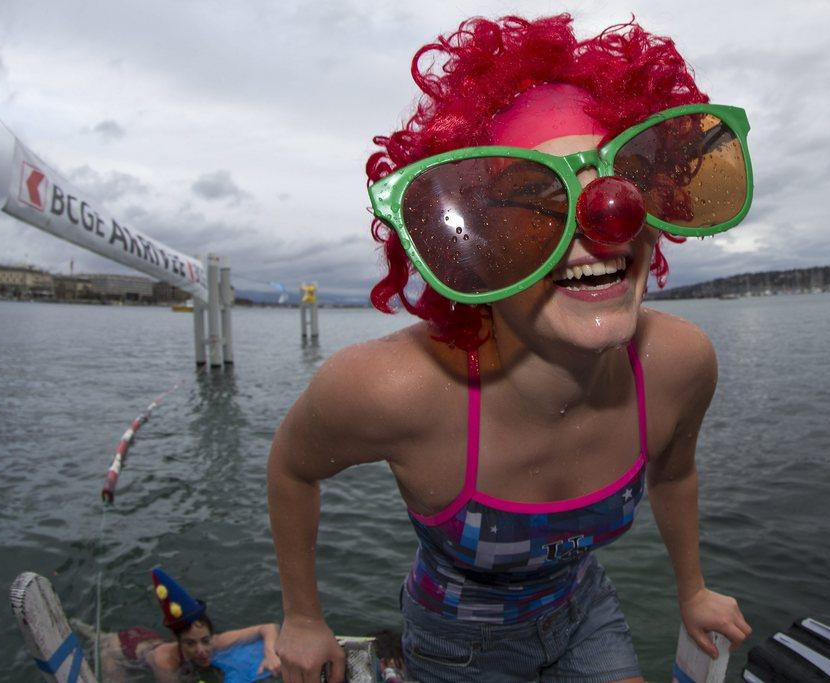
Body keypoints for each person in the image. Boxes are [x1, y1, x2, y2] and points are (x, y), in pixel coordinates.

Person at [267, 13, 754, 682]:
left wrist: (692, 588)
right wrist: (301, 615)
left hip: (585, 613)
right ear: (473, 251)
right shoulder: (394, 389)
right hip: (454, 645)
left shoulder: (680, 364)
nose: (604, 215)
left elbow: (674, 473)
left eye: (625, 177)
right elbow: (293, 468)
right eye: (535, 203)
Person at [74, 568, 281, 682]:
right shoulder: (166, 663)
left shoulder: (216, 642)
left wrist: (270, 654)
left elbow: (269, 627)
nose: (201, 650)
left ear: (211, 635)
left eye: (205, 641)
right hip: (120, 652)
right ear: (178, 642)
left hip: (144, 638)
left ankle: (84, 628)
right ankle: (85, 630)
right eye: (190, 643)